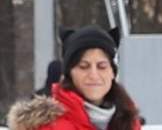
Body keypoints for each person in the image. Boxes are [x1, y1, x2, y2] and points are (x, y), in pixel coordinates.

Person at [6, 26, 142, 130]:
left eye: (102, 66)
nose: (94, 75)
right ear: (69, 73)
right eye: (83, 67)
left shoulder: (129, 121)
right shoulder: (49, 126)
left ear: (113, 72)